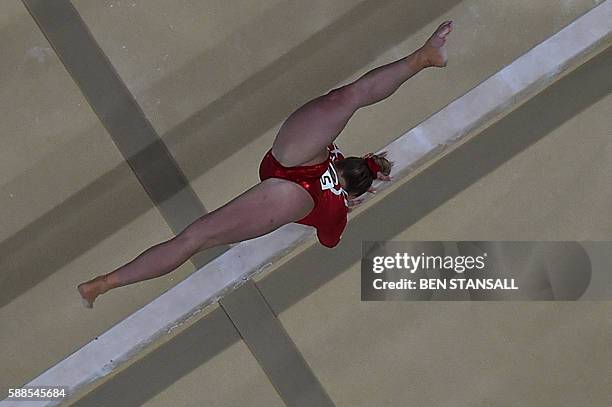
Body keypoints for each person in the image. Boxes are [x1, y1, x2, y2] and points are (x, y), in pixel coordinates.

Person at [77, 21, 454, 308]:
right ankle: (103, 283)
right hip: (298, 189)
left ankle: (420, 59)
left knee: (347, 96)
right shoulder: (336, 211)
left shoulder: (335, 181)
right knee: (194, 239)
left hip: (296, 171)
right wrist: (348, 202)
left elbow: (333, 226)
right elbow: (329, 241)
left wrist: (349, 186)